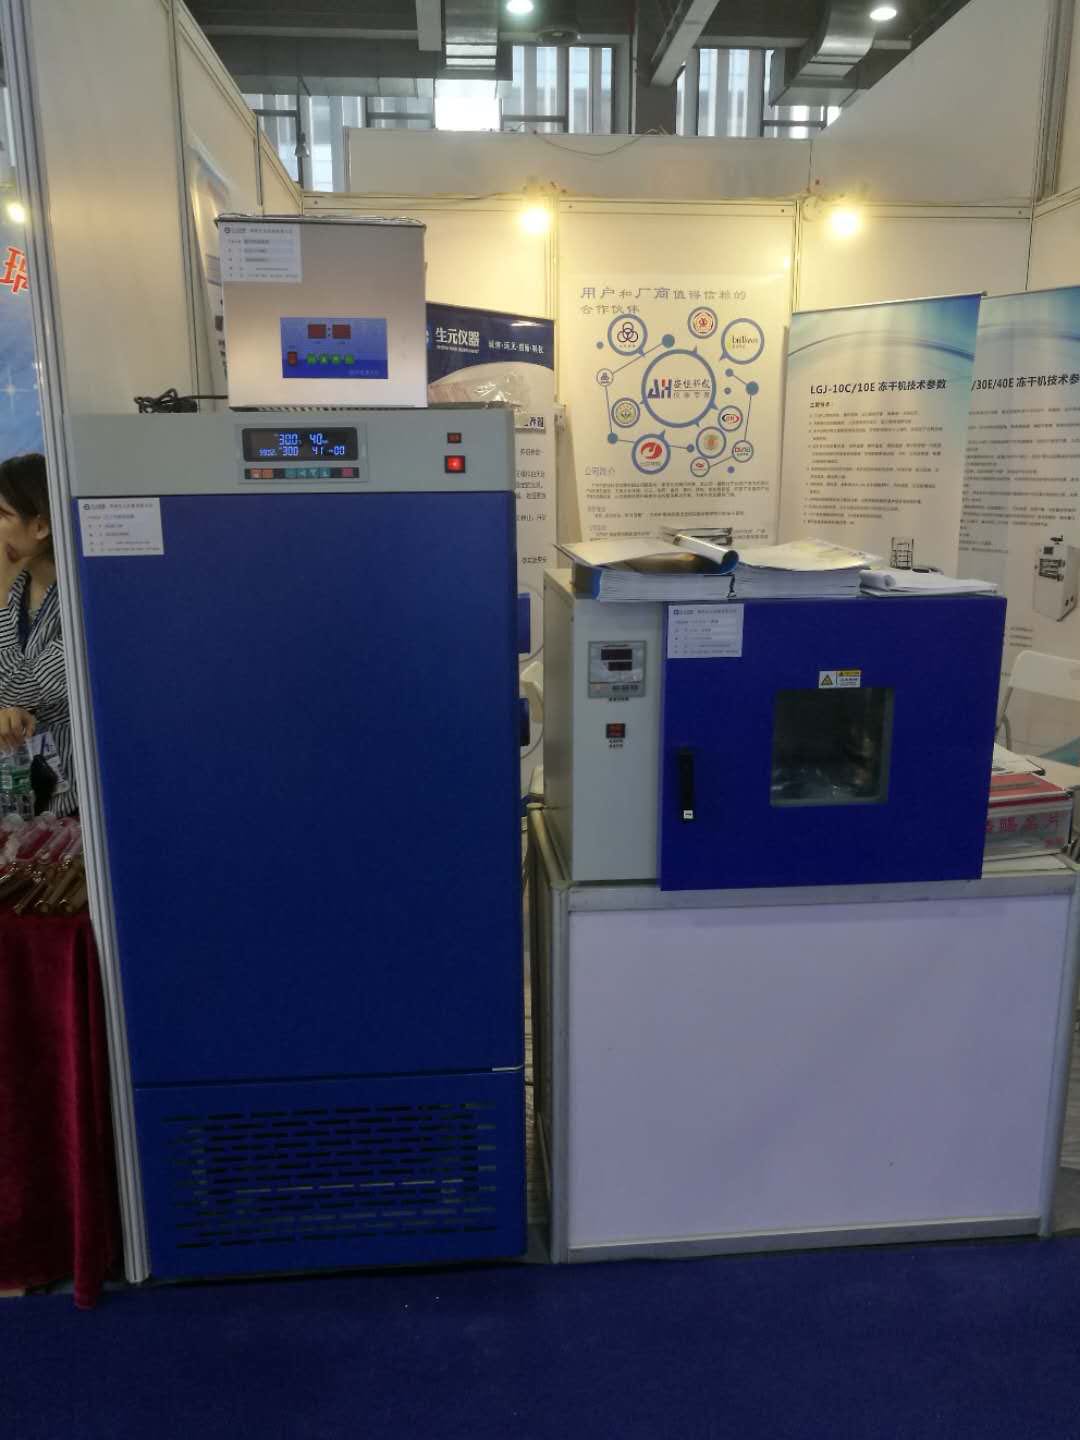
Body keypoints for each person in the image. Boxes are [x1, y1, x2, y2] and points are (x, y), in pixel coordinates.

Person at [0, 452, 75, 815]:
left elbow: (17, 688)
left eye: (2, 515)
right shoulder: (17, 589)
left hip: (71, 804)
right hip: (16, 796)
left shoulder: (81, 604)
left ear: (41, 526)